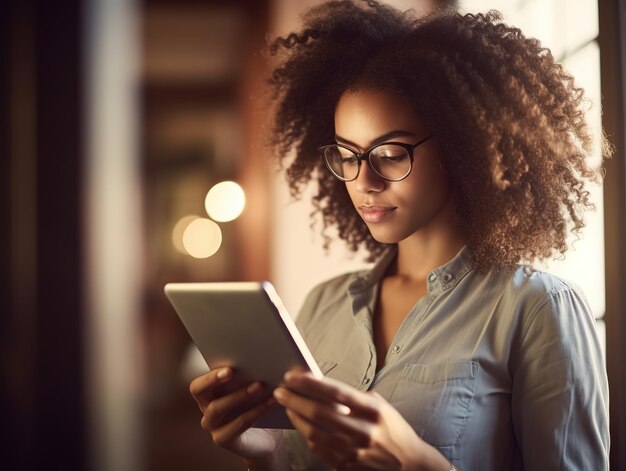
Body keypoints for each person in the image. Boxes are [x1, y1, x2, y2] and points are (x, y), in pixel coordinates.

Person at [189, 1, 611, 469]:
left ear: (463, 145)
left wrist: (416, 462)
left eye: (389, 153)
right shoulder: (322, 306)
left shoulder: (537, 309)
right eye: (347, 155)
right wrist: (265, 454)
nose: (364, 181)